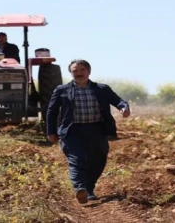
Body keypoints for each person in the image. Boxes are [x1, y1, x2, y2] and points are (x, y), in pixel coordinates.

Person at [46, 59, 131, 204]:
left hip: (96, 129)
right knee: (76, 160)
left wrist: (124, 107)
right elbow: (51, 111)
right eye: (75, 71)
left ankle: (89, 189)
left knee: (98, 160)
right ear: (71, 73)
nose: (79, 73)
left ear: (88, 71)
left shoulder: (102, 89)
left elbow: (118, 100)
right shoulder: (62, 90)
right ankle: (80, 188)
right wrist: (51, 132)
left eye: (82, 70)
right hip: (72, 131)